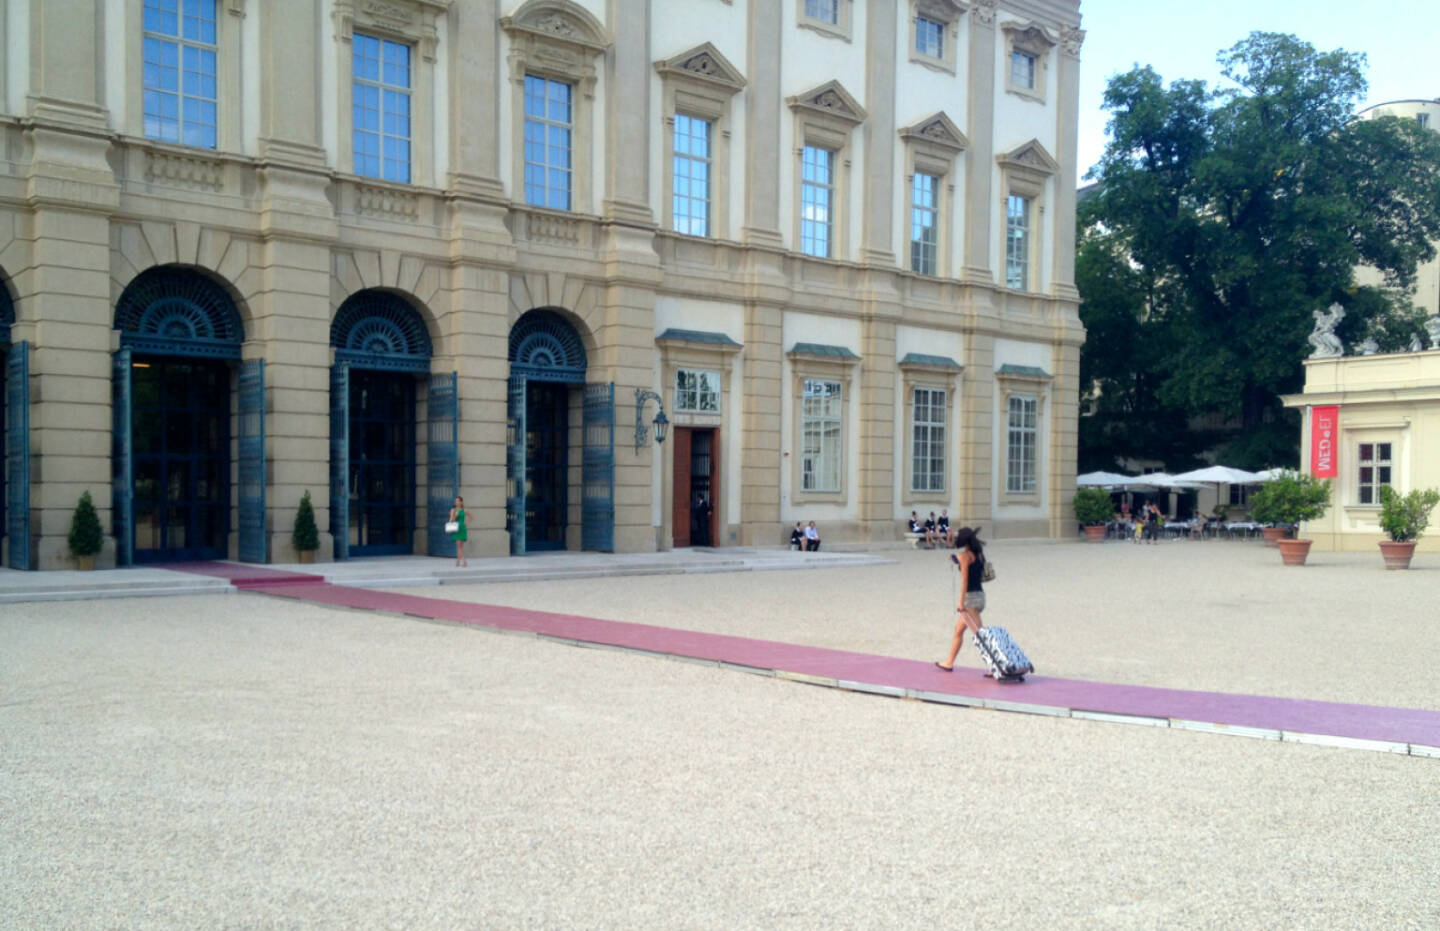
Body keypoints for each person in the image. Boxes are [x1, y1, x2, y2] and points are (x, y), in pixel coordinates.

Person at [935, 526, 986, 672]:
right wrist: (955, 558)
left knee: (980, 636)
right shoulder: (980, 554)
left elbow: (964, 580)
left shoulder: (964, 557)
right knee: (958, 630)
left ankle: (993, 666)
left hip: (970, 600)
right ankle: (949, 662)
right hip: (981, 596)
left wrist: (960, 602)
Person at [448, 495, 468, 567]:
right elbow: (452, 520)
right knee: (459, 546)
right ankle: (464, 561)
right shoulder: (453, 510)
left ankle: (458, 561)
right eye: (456, 501)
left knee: (460, 547)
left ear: (461, 502)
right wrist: (455, 516)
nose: (457, 502)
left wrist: (467, 523)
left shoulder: (464, 510)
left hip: (462, 528)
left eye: (458, 501)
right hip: (456, 528)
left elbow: (472, 518)